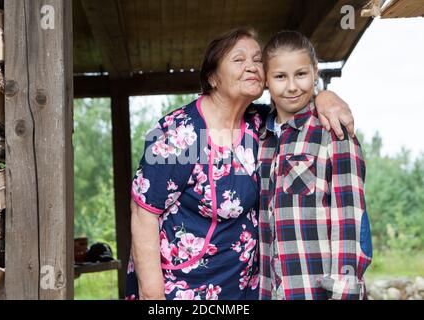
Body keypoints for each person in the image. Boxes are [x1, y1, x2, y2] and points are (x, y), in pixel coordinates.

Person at [126, 27, 355, 300]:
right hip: (182, 289)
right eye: (238, 60)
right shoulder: (178, 132)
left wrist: (325, 97)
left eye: (258, 60)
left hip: (246, 290)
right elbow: (143, 213)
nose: (252, 67)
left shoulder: (260, 124)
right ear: (212, 77)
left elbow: (294, 98)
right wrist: (152, 295)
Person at [257, 30, 372, 300]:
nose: (292, 86)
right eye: (280, 77)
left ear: (315, 72)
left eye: (301, 74)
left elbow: (350, 219)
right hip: (267, 291)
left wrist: (345, 292)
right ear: (266, 80)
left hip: (314, 291)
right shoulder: (260, 138)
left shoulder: (333, 132)